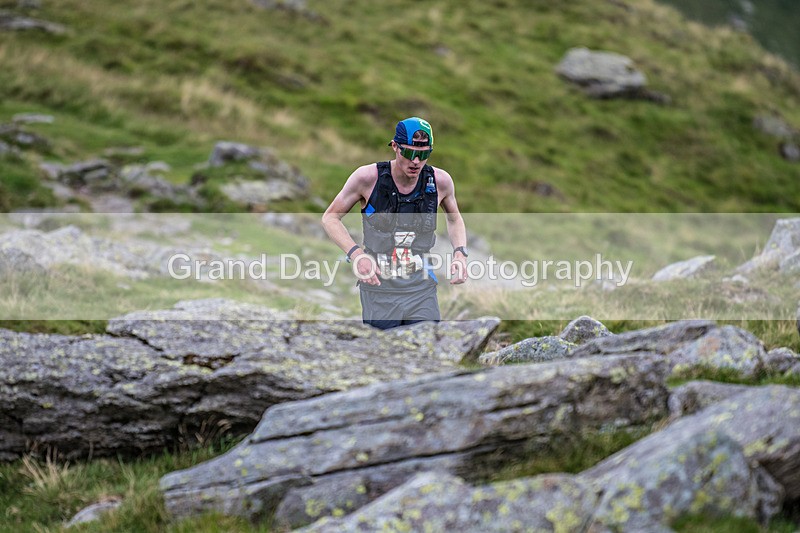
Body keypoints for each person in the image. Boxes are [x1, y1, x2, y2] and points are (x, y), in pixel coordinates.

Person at [322, 117, 468, 329]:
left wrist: (460, 254)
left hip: (421, 288)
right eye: (409, 153)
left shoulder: (440, 181)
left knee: (427, 351)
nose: (416, 161)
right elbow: (330, 217)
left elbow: (455, 219)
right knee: (384, 356)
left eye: (424, 154)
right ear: (394, 147)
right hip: (379, 289)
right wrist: (357, 256)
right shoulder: (367, 178)